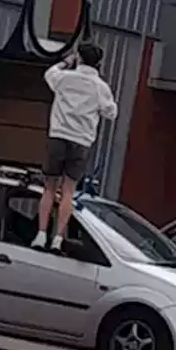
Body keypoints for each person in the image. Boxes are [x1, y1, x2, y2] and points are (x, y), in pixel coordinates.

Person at [31, 43, 117, 251]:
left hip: (59, 136)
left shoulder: (64, 78)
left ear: (78, 57)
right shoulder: (100, 87)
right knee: (68, 190)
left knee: (49, 187)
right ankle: (58, 239)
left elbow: (49, 73)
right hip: (82, 142)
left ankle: (41, 235)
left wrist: (65, 61)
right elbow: (111, 112)